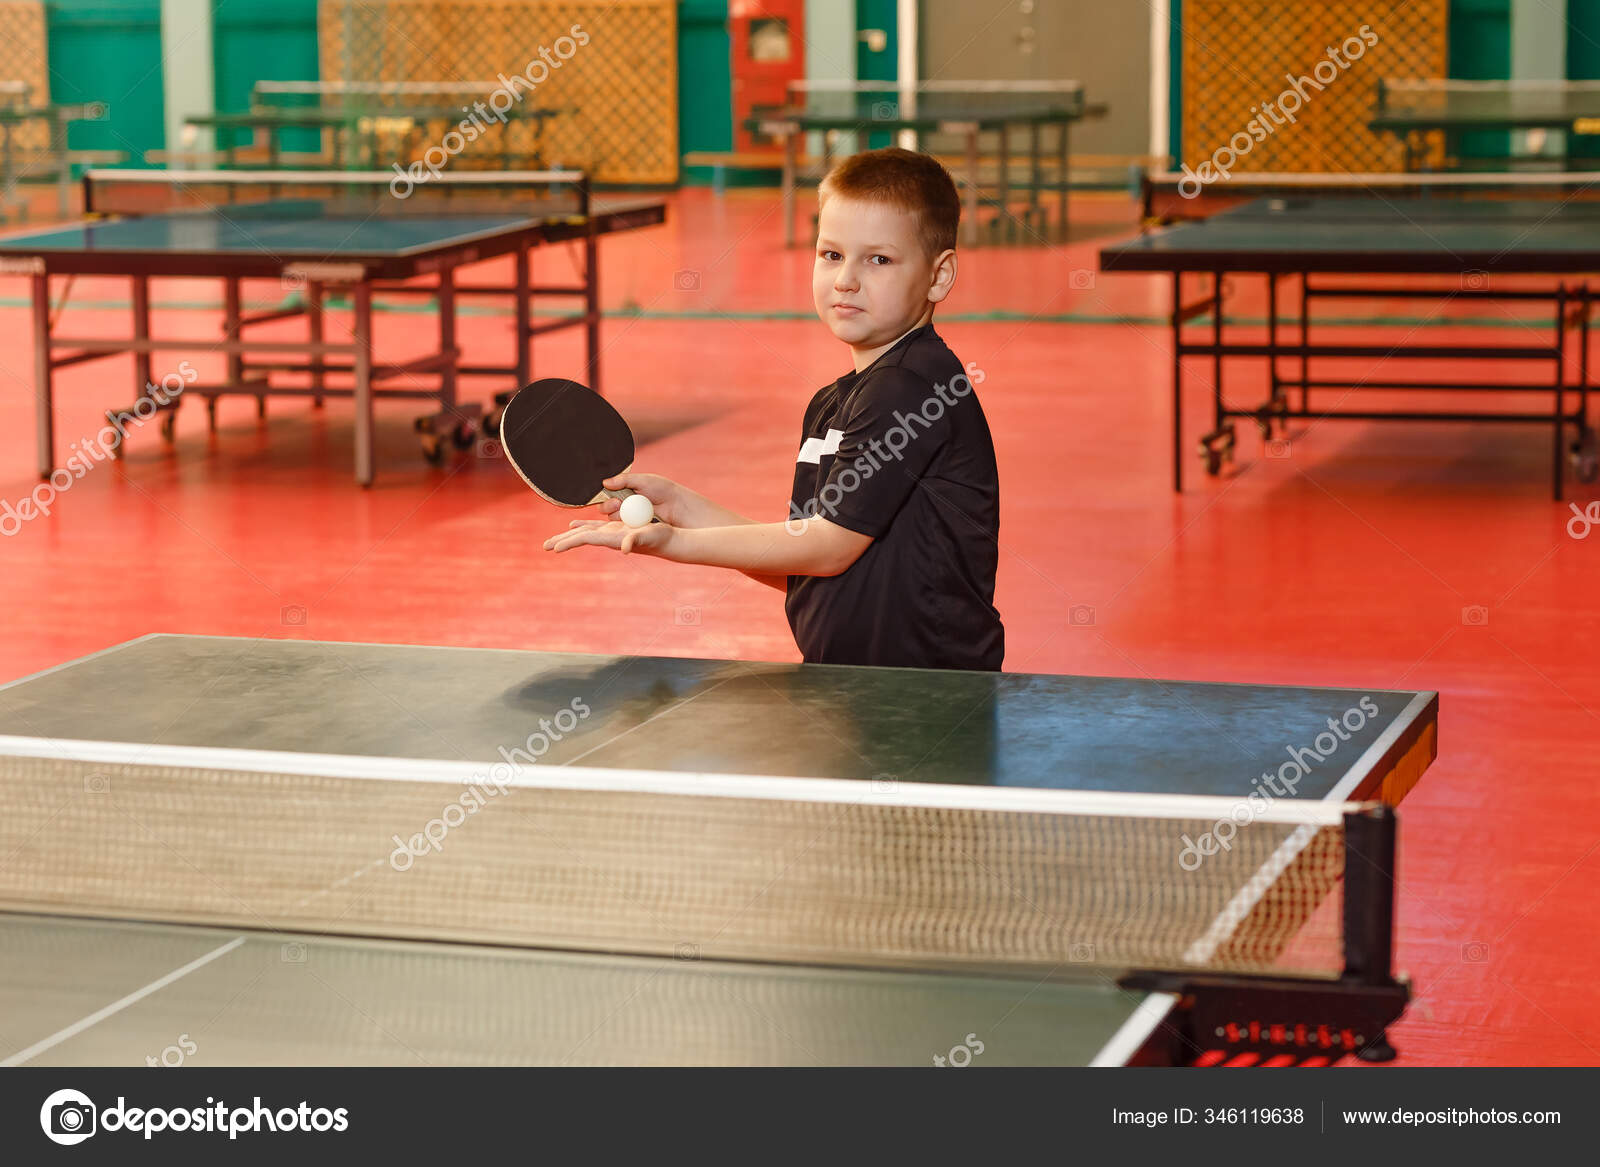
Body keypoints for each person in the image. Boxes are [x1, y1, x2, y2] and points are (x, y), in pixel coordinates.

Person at [544, 147, 1004, 671]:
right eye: (831, 254)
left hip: (932, 697)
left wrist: (676, 545)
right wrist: (683, 508)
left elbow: (828, 547)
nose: (846, 279)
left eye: (878, 259)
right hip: (858, 690)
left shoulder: (911, 387)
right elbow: (803, 557)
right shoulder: (833, 404)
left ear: (939, 276)